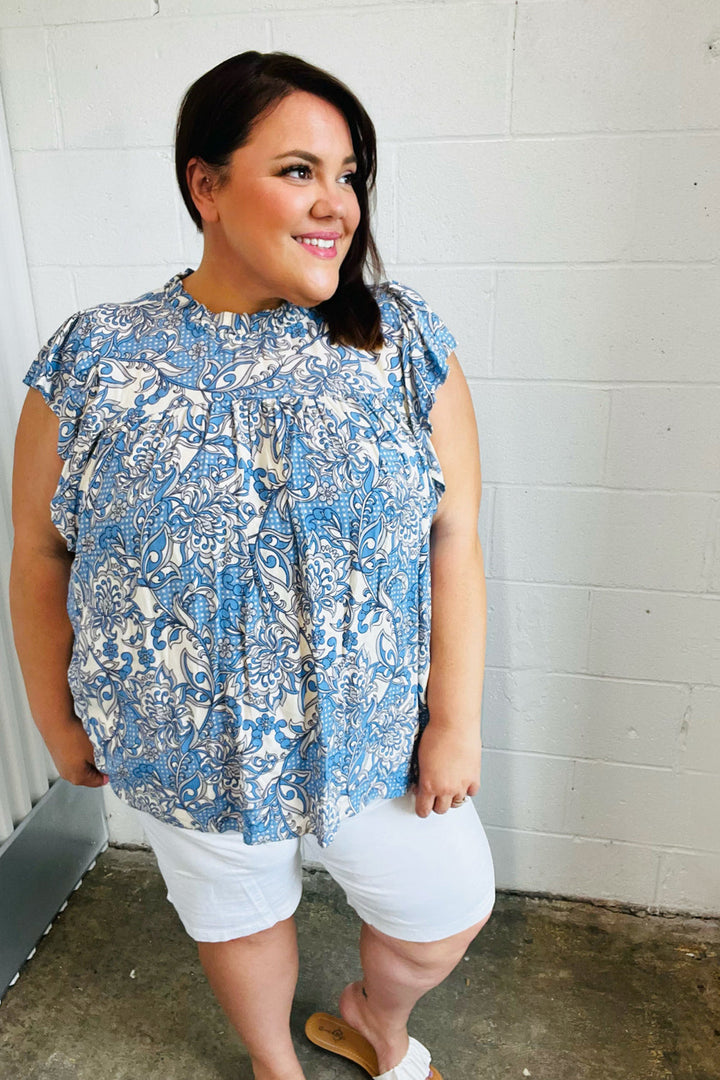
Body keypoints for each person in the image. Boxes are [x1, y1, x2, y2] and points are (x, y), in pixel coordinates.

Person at [9, 51, 495, 1080]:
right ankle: (277, 1067)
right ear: (207, 184)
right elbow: (40, 549)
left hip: (376, 735)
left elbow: (454, 534)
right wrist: (56, 718)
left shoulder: (398, 339)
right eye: (299, 170)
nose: (337, 203)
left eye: (349, 174)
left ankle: (375, 1017)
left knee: (444, 912)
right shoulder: (94, 359)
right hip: (184, 738)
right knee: (237, 917)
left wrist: (454, 721)